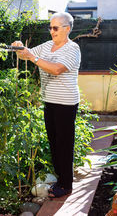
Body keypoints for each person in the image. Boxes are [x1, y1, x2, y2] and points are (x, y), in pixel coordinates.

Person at [12, 12, 81, 198]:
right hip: (50, 101)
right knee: (54, 142)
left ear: (67, 29)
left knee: (64, 144)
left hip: (66, 103)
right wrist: (19, 49)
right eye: (50, 27)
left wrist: (32, 58)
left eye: (56, 28)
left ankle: (66, 185)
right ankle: (61, 178)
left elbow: (57, 69)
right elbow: (27, 55)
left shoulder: (72, 49)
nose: (52, 31)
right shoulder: (47, 46)